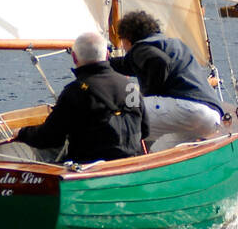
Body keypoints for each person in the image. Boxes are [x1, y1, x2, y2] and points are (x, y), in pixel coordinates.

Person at [12, 31, 148, 165]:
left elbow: (49, 138)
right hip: (129, 164)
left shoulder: (74, 92)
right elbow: (145, 130)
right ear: (107, 55)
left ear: (74, 58)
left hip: (90, 168)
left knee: (47, 153)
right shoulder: (130, 86)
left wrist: (22, 133)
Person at [110, 10, 226, 151]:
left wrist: (151, 94)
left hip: (187, 109)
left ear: (127, 38)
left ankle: (106, 160)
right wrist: (104, 63)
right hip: (211, 118)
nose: (122, 46)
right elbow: (127, 65)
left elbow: (159, 62)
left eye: (122, 41)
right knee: (157, 152)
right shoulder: (172, 44)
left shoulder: (141, 48)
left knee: (123, 114)